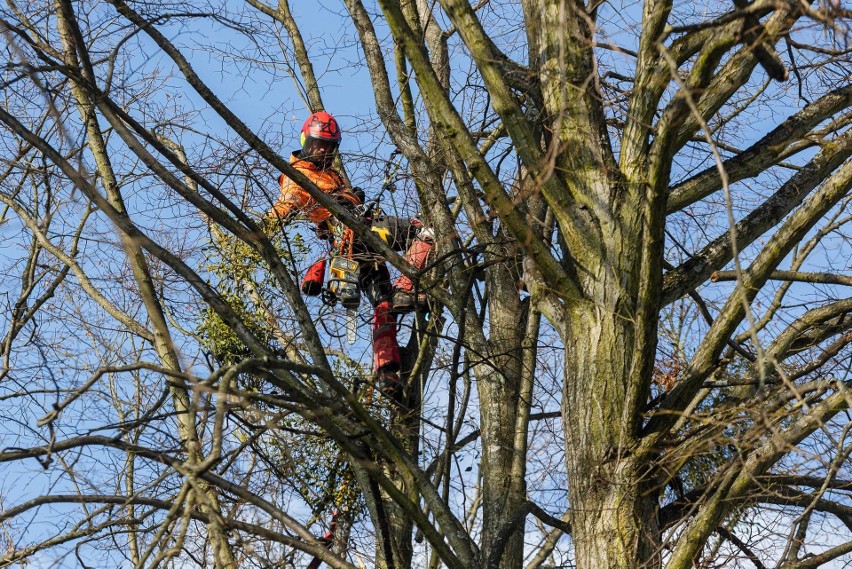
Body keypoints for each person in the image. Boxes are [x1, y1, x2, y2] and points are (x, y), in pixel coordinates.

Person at [266, 111, 433, 399]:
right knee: (426, 232)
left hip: (355, 246)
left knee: (383, 305)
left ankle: (387, 373)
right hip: (355, 236)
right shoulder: (298, 176)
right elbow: (287, 204)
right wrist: (262, 229)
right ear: (306, 141)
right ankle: (407, 287)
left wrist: (350, 195)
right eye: (319, 145)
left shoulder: (330, 174)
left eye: (330, 147)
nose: (324, 151)